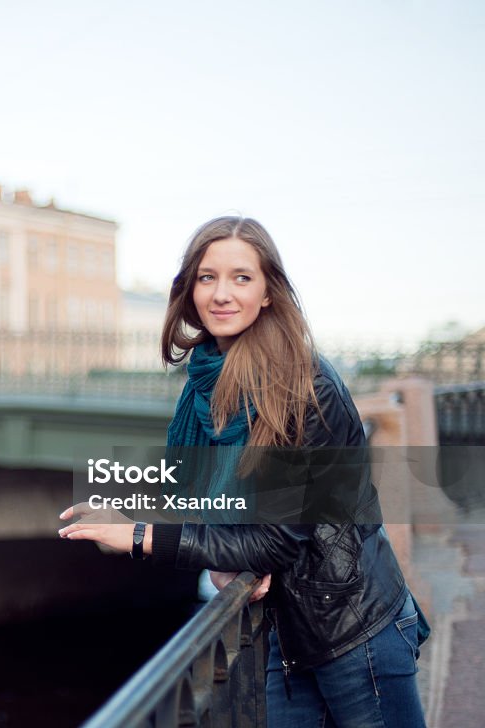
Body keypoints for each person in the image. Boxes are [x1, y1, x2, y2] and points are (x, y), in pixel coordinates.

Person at [58, 216, 427, 728]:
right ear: (189, 291)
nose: (221, 294)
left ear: (268, 292)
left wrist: (141, 535)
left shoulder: (303, 386)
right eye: (207, 277)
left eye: (241, 277)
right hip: (286, 628)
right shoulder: (207, 383)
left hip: (353, 631)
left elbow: (275, 540)